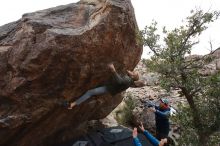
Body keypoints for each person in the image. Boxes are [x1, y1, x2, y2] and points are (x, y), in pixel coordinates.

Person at [68, 63, 145, 109]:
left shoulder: (128, 80)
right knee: (92, 92)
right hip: (109, 87)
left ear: (132, 76)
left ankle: (73, 104)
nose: (131, 71)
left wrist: (113, 70)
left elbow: (119, 81)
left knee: (89, 92)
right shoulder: (129, 80)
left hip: (108, 87)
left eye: (133, 72)